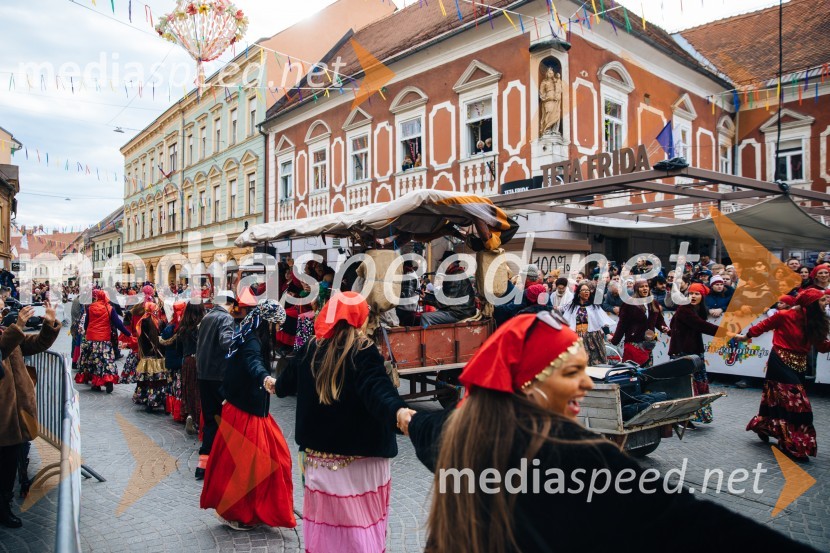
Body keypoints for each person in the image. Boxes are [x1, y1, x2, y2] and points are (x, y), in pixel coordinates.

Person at [409, 311, 814, 553]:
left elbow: (414, 422)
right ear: (529, 383)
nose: (587, 383)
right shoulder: (573, 453)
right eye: (573, 372)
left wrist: (398, 411)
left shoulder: (455, 433)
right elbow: (688, 523)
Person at [276, 292, 412, 552]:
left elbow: (283, 385)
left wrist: (270, 383)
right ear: (360, 319)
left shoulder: (310, 349)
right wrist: (399, 413)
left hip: (320, 463)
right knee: (360, 534)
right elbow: (378, 390)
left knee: (326, 535)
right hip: (362, 464)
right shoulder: (363, 351)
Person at [200, 300, 296, 531]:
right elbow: (253, 362)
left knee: (269, 461)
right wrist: (265, 378)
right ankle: (237, 511)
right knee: (248, 467)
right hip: (245, 410)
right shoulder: (251, 340)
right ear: (268, 323)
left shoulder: (249, 335)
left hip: (251, 408)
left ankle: (258, 509)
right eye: (277, 325)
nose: (278, 330)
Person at [734, 288, 830, 461]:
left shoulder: (816, 320)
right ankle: (791, 443)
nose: (826, 302)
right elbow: (763, 326)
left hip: (799, 365)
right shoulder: (784, 315)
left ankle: (765, 426)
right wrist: (745, 337)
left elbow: (822, 347)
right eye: (822, 300)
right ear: (811, 304)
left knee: (777, 401)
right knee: (797, 404)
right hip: (779, 361)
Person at [0, 301, 61, 529]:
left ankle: (4, 506)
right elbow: (2, 350)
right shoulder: (9, 333)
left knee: (9, 464)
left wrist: (49, 324)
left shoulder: (5, 331)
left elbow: (37, 343)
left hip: (15, 412)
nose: (2, 311)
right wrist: (17, 326)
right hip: (3, 412)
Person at [195, 290, 237, 480]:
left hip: (203, 375)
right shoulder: (225, 318)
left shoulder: (207, 317)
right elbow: (227, 342)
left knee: (210, 421)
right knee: (224, 420)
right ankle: (223, 464)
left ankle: (202, 465)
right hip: (219, 376)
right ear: (229, 303)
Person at [668, 283, 724, 425]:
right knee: (686, 385)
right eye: (691, 293)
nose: (693, 296)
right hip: (682, 353)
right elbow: (702, 325)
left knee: (699, 384)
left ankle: (695, 415)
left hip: (695, 351)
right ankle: (682, 417)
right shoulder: (684, 309)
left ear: (702, 296)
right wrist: (726, 333)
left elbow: (674, 325)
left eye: (697, 294)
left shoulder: (698, 309)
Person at [75, 289, 131, 393]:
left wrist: (87, 332)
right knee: (107, 361)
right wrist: (128, 334)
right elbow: (118, 323)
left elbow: (86, 323)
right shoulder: (109, 308)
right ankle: (108, 380)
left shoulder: (90, 308)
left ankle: (96, 383)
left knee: (93, 361)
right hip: (104, 339)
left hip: (92, 338)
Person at [610, 279, 668, 367]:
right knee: (633, 371)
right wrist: (615, 340)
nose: (645, 288)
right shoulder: (629, 304)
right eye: (641, 287)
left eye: (646, 286)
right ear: (636, 289)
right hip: (633, 343)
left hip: (648, 344)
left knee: (647, 372)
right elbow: (622, 324)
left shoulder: (653, 303)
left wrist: (664, 328)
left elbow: (659, 320)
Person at [562, 282, 613, 365]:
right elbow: (565, 322)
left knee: (595, 362)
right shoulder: (572, 307)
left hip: (593, 338)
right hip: (577, 338)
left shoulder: (594, 307)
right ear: (578, 293)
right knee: (580, 363)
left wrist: (607, 334)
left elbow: (602, 321)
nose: (586, 292)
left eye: (588, 290)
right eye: (584, 290)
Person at [421, 252, 476, 327]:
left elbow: (445, 301)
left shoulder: (455, 276)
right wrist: (427, 296)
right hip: (461, 311)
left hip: (459, 313)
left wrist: (427, 298)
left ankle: (427, 335)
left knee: (425, 317)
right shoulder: (456, 273)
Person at [132, 303, 168, 412]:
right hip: (158, 357)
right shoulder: (160, 322)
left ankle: (147, 401)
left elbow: (140, 339)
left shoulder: (141, 322)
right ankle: (161, 400)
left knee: (147, 380)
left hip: (147, 357)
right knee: (159, 381)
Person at [160, 302, 187, 422]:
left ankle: (171, 408)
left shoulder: (169, 327)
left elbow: (163, 342)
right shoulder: (185, 327)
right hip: (181, 362)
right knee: (180, 387)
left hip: (171, 362)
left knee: (172, 386)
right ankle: (179, 412)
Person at [396, 260, 421, 327]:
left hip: (405, 308)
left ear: (405, 267)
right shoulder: (414, 275)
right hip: (411, 307)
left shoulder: (409, 276)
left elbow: (407, 294)